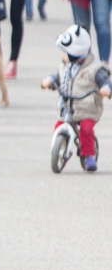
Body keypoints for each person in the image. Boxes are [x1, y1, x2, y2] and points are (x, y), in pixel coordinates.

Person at [42, 25, 110, 172]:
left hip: (87, 107)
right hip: (68, 105)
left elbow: (104, 80)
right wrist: (49, 80)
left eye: (66, 52)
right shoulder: (65, 67)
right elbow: (57, 77)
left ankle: (89, 155)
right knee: (58, 124)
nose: (63, 55)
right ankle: (61, 148)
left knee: (86, 129)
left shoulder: (94, 68)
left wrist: (106, 88)